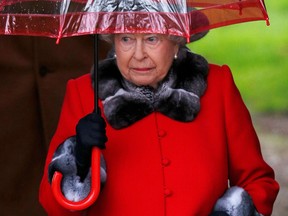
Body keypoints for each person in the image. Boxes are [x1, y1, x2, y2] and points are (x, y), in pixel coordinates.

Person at [39, 30, 279, 216]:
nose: (139, 54)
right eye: (126, 39)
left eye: (151, 39)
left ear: (176, 40)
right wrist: (78, 157)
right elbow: (54, 207)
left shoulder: (217, 86)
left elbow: (258, 182)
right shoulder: (84, 93)